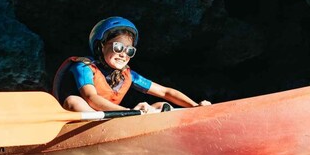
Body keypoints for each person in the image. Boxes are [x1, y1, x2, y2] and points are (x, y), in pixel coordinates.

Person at [52, 17, 211, 113]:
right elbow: (91, 98)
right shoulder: (83, 67)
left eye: (129, 51)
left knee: (163, 105)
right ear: (101, 46)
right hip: (81, 122)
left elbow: (165, 92)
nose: (123, 54)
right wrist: (129, 112)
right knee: (74, 101)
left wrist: (195, 106)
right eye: (118, 47)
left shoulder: (128, 75)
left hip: (116, 119)